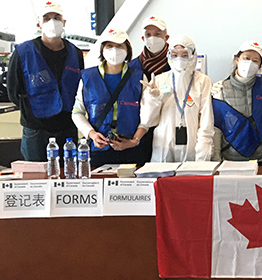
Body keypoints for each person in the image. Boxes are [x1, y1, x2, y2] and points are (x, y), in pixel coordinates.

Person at [7, 1, 84, 161]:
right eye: (47, 18)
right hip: (36, 128)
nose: (52, 22)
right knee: (36, 177)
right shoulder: (23, 52)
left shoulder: (75, 53)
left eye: (57, 17)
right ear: (39, 23)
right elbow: (13, 91)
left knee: (68, 176)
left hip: (67, 128)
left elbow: (80, 89)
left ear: (64, 23)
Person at [72, 28, 147, 167]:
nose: (114, 50)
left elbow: (147, 116)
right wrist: (92, 134)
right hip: (98, 149)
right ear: (102, 49)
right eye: (109, 46)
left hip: (131, 149)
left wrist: (134, 140)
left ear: (127, 50)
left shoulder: (139, 77)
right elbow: (77, 112)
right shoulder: (88, 77)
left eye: (119, 46)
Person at [140, 36, 214, 162]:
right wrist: (153, 98)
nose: (179, 58)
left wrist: (203, 151)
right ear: (169, 55)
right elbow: (148, 121)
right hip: (163, 146)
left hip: (192, 147)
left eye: (184, 55)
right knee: (163, 180)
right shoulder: (158, 80)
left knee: (190, 180)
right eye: (174, 55)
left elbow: (206, 119)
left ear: (193, 55)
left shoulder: (202, 81)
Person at [211, 41, 262, 165]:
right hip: (233, 156)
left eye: (255, 60)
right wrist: (216, 158)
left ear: (260, 65)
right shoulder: (219, 89)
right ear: (237, 60)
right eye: (246, 58)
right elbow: (216, 127)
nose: (250, 63)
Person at [128, 15, 171, 163]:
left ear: (166, 37)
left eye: (158, 34)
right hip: (140, 134)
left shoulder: (176, 66)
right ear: (142, 38)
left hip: (169, 130)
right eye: (148, 35)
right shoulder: (131, 68)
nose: (153, 38)